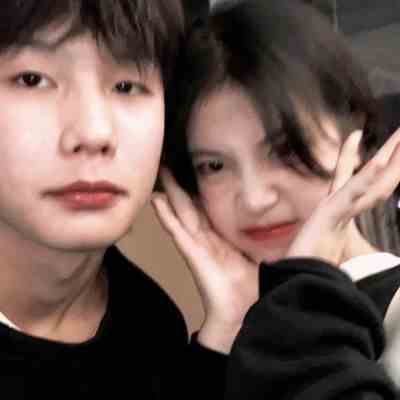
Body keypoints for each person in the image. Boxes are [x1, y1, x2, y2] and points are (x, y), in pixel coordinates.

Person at [154, 0, 400, 398]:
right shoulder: (235, 332)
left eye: (285, 151)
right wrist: (228, 332)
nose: (255, 199)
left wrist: (303, 297)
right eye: (214, 166)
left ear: (355, 134)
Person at [0, 1, 233, 398]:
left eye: (126, 86)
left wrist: (226, 336)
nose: (94, 133)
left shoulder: (150, 328)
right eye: (32, 79)